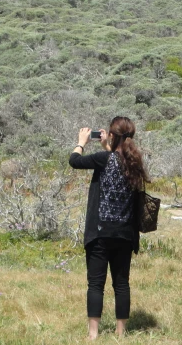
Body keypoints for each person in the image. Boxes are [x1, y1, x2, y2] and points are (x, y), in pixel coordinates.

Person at [69, 116, 148, 340]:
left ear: (112, 136)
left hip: (100, 233)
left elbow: (74, 161)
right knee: (121, 284)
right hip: (124, 234)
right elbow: (117, 161)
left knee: (96, 284)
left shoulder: (103, 159)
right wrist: (108, 146)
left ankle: (93, 335)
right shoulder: (135, 164)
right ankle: (121, 334)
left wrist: (82, 141)